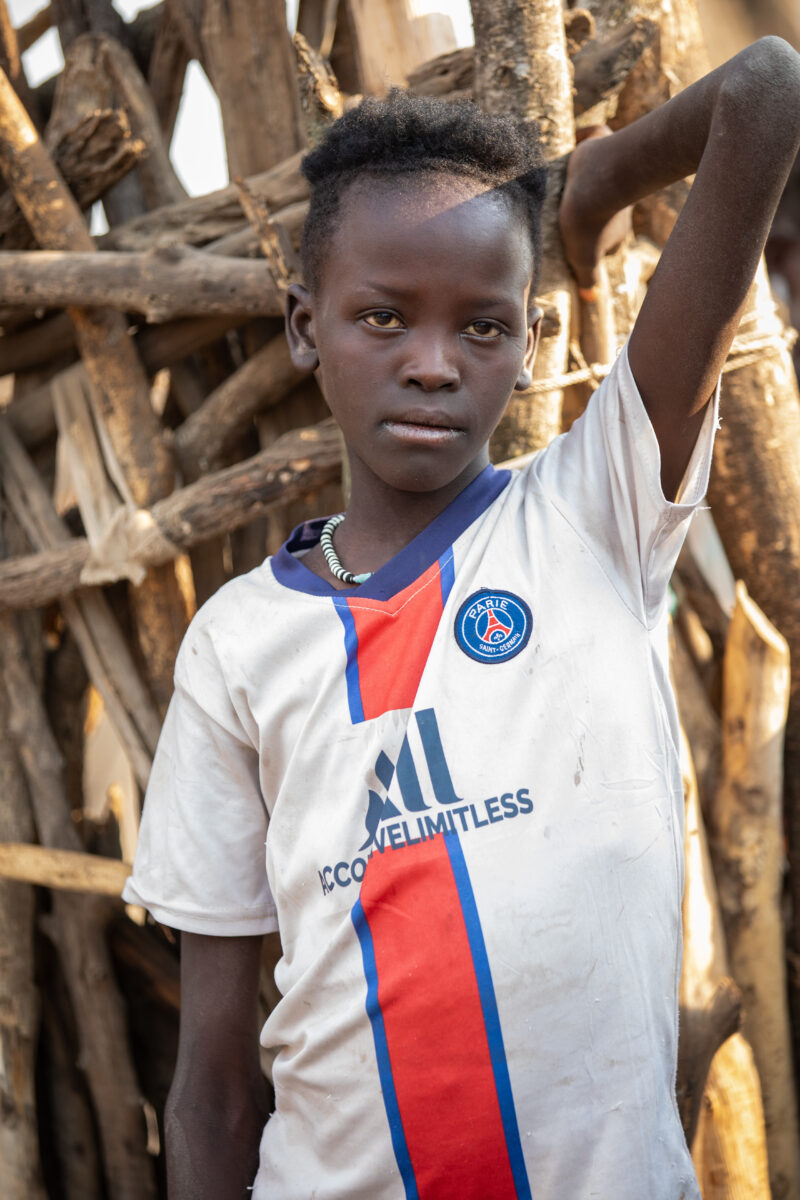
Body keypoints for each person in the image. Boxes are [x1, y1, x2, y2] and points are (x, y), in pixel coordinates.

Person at [123, 35, 800, 1200]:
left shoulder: (592, 515)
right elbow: (214, 1088)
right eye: (382, 319)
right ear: (303, 328)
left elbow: (767, 89)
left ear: (531, 341)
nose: (432, 364)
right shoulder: (238, 647)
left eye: (481, 326)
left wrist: (589, 185)